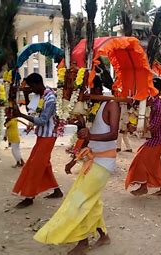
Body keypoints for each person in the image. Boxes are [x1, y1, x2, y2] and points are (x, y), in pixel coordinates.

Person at [33, 78, 120, 255]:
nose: (85, 94)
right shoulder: (92, 106)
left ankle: (82, 241)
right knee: (92, 202)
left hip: (104, 162)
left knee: (79, 200)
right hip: (91, 160)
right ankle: (103, 236)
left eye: (88, 89)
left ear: (97, 87)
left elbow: (113, 134)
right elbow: (87, 137)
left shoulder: (111, 104)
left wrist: (91, 135)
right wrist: (73, 160)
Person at [11, 73, 63, 208]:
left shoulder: (50, 98)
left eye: (31, 87)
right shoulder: (39, 96)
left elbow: (42, 120)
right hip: (42, 135)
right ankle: (57, 191)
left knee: (34, 165)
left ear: (37, 84)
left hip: (48, 136)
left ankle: (29, 196)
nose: (31, 89)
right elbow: (33, 113)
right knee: (44, 164)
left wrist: (20, 115)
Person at [125, 78, 161, 196]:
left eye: (151, 90)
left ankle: (143, 186)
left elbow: (153, 127)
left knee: (140, 158)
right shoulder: (149, 103)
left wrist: (135, 129)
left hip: (158, 139)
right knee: (153, 163)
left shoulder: (158, 105)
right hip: (154, 138)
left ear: (157, 91)